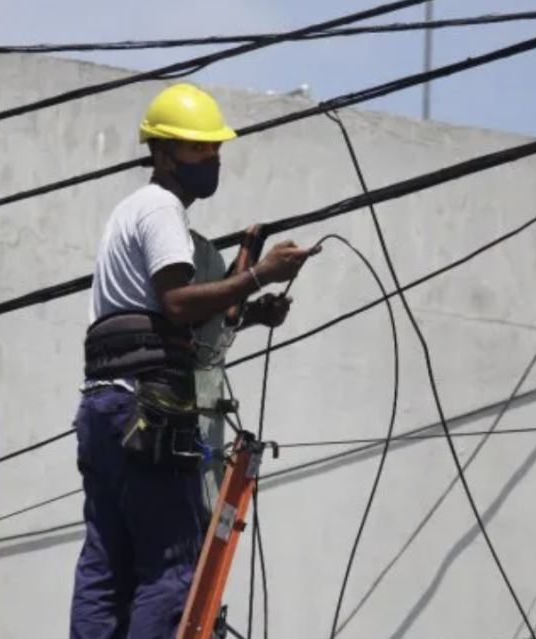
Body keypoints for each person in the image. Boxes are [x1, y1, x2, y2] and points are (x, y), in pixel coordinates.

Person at [69, 82, 320, 639]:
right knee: (171, 565)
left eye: (215, 149)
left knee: (105, 565)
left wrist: (248, 312)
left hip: (104, 406)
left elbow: (168, 320)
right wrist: (259, 274)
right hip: (145, 408)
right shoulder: (162, 209)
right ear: (161, 155)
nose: (212, 159)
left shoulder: (126, 212)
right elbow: (178, 305)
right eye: (198, 149)